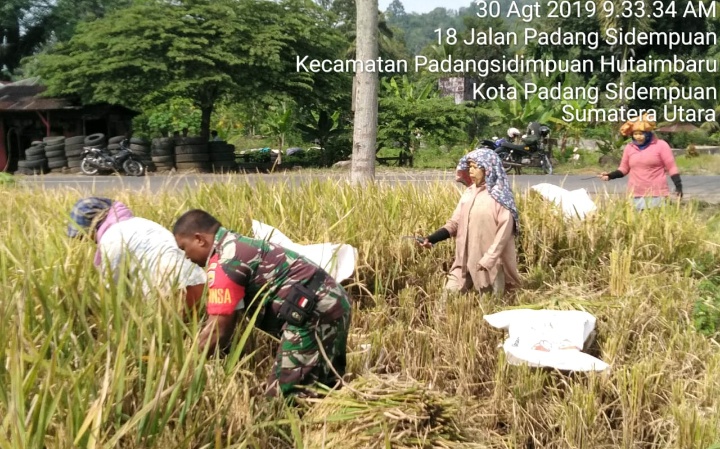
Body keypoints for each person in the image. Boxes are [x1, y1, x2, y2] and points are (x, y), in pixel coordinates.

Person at [172, 209, 351, 398]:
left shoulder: (225, 263)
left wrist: (185, 367)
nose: (185, 256)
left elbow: (218, 330)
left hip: (314, 314)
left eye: (184, 248)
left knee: (281, 399)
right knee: (325, 385)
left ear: (200, 239)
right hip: (333, 301)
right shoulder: (237, 243)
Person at [67, 197, 206, 310]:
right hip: (197, 281)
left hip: (168, 291)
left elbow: (115, 290)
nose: (86, 241)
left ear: (91, 227)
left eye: (83, 236)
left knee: (167, 339)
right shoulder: (141, 223)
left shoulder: (112, 238)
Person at [421, 148, 521, 297]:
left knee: (489, 306)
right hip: (463, 261)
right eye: (470, 167)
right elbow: (454, 223)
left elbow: (503, 234)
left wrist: (489, 259)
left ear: (488, 168)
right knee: (447, 299)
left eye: (475, 167)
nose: (471, 171)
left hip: (490, 265)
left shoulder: (501, 197)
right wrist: (433, 238)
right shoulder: (469, 193)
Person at [599, 113, 682, 210]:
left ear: (647, 133)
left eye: (641, 134)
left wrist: (678, 186)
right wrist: (610, 175)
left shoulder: (661, 145)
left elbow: (671, 167)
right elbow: (624, 169)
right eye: (635, 134)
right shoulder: (629, 148)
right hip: (635, 195)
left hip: (657, 194)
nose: (638, 137)